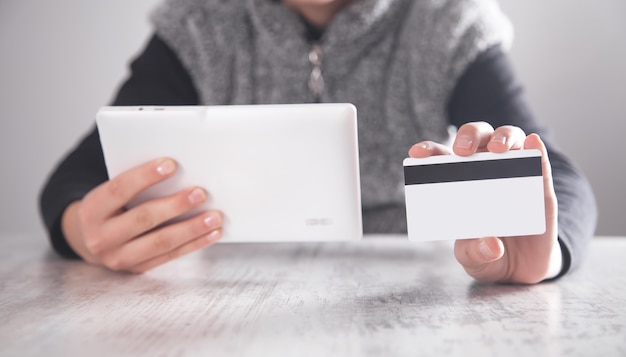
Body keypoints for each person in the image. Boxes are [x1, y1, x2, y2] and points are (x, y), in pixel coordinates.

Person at [39, 0, 596, 284]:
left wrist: (543, 259)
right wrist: (84, 231)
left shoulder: (445, 21)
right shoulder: (200, 25)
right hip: (228, 294)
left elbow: (555, 176)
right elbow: (77, 179)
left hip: (402, 289)